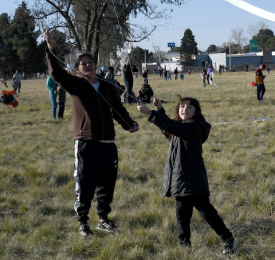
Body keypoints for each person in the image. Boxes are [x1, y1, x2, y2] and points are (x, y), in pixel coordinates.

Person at [44, 30, 139, 237]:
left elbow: (117, 110)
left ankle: (103, 219)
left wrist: (129, 123)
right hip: (86, 143)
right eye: (83, 64)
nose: (88, 65)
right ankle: (83, 223)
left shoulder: (107, 86)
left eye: (90, 62)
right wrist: (50, 49)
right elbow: (56, 73)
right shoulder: (75, 85)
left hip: (108, 144)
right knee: (85, 183)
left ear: (96, 64)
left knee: (107, 184)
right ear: (78, 68)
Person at [136, 97, 236, 254]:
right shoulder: (182, 128)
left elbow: (171, 126)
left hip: (194, 179)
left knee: (207, 213)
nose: (185, 110)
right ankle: (185, 248)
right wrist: (160, 110)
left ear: (196, 112)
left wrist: (149, 112)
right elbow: (168, 130)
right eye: (182, 107)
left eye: (190, 108)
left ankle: (228, 238)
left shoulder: (194, 127)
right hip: (180, 179)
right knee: (182, 216)